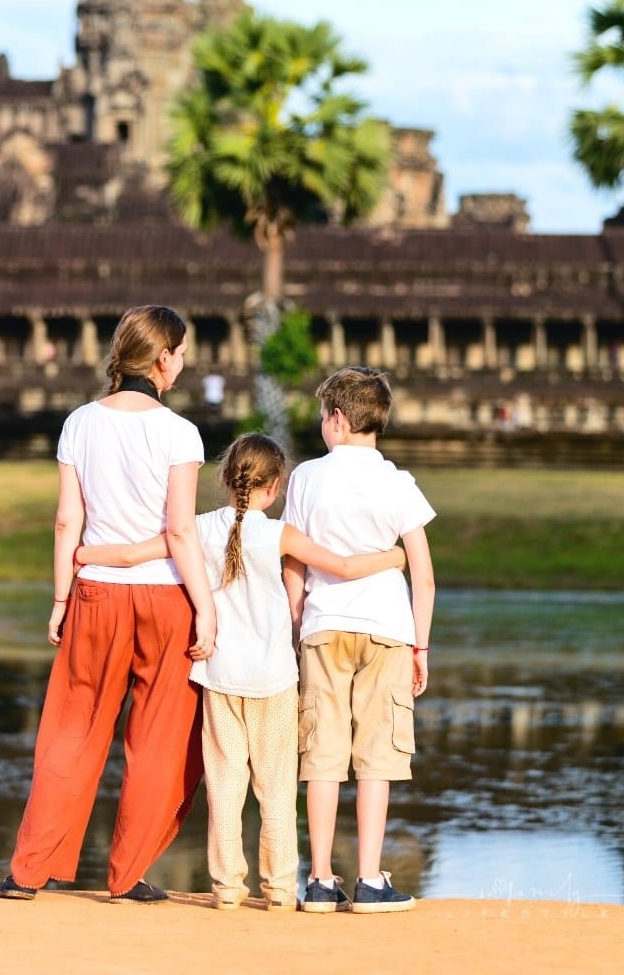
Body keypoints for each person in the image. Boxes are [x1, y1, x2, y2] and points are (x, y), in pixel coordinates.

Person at [75, 431, 407, 912]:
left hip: (217, 677)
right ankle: (277, 889)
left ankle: (227, 888)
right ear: (273, 489)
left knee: (225, 788)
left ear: (227, 480)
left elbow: (128, 555)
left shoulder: (199, 528)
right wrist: (396, 556)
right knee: (274, 789)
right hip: (273, 679)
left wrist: (82, 555)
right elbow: (347, 567)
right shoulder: (278, 535)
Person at [0, 304, 216, 905]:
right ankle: (128, 874)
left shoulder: (80, 423)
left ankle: (28, 872)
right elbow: (181, 532)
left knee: (72, 729)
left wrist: (61, 597)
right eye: (183, 352)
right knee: (157, 738)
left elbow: (69, 520)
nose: (185, 363)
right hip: (166, 595)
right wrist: (209, 608)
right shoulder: (179, 432)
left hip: (95, 593)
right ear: (164, 357)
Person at [282, 367, 436, 915]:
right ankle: (370, 877)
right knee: (377, 757)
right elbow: (423, 573)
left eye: (324, 418)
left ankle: (320, 880)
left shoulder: (305, 478)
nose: (323, 427)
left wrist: (297, 626)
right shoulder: (398, 482)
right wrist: (421, 646)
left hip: (324, 627)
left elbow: (294, 563)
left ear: (339, 420)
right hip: (388, 629)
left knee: (322, 755)